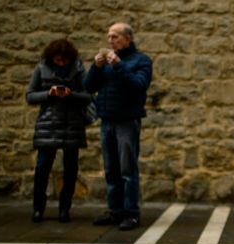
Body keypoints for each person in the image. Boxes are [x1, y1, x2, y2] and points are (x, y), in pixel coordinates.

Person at [84, 22, 152, 231]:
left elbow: (138, 85)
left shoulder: (141, 60)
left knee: (127, 169)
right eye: (109, 37)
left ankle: (131, 214)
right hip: (107, 120)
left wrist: (118, 65)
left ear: (127, 39)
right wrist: (96, 67)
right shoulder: (105, 63)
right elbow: (88, 87)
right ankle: (115, 212)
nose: (110, 41)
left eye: (115, 37)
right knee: (111, 169)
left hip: (127, 121)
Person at [26, 38, 93, 223]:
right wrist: (49, 93)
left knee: (71, 169)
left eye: (64, 60)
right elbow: (30, 96)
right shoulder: (41, 68)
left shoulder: (78, 69)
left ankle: (65, 208)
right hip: (48, 124)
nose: (61, 63)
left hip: (72, 124)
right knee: (42, 169)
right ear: (52, 57)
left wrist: (71, 95)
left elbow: (88, 96)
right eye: (58, 60)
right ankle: (38, 208)